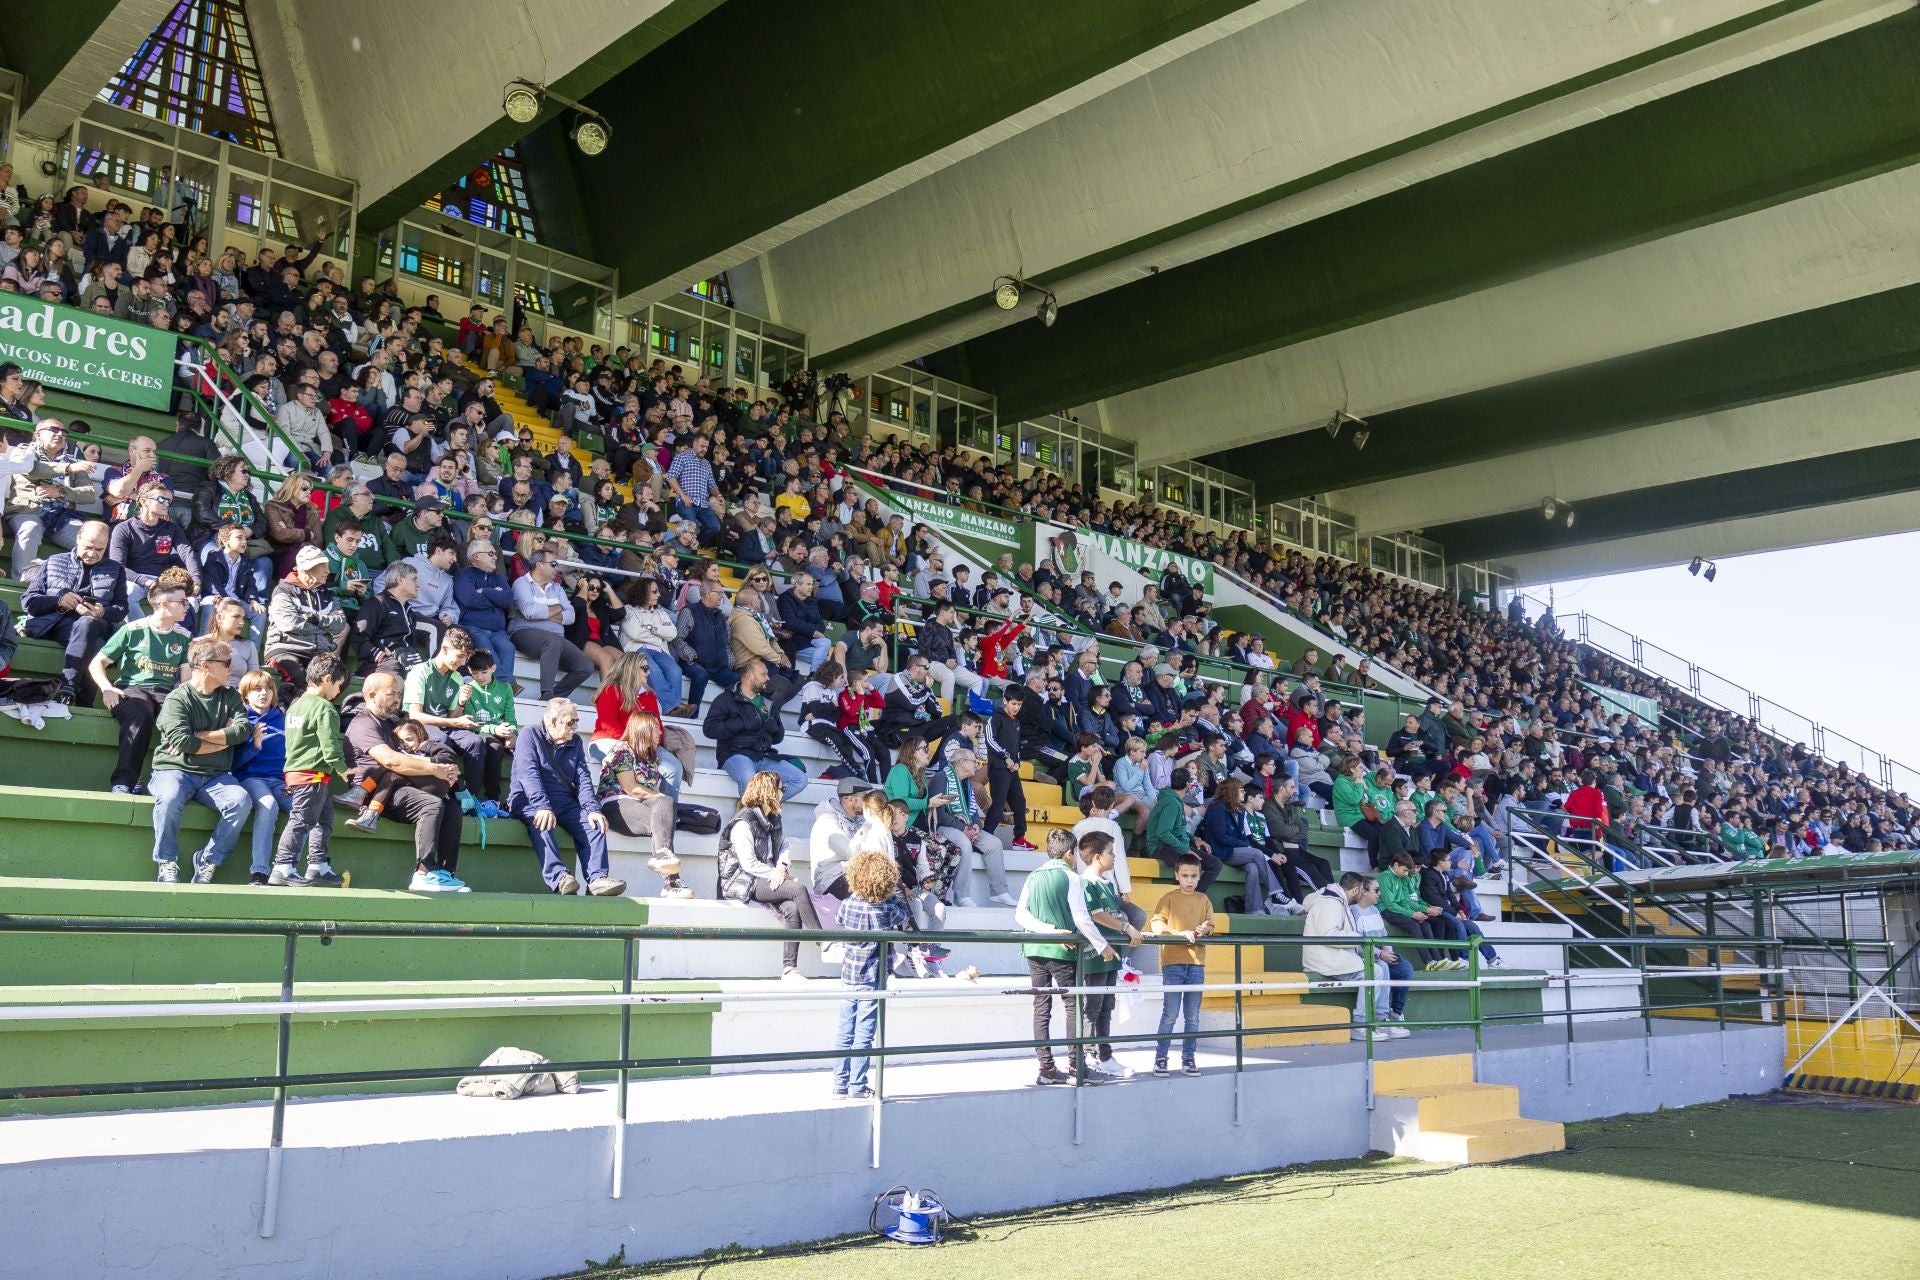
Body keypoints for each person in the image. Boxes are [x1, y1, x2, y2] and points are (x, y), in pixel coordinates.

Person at [342, 671, 468, 891]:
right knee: (432, 804)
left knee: (452, 808)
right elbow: (391, 761)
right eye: (391, 694)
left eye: (399, 694)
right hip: (375, 792)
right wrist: (434, 769)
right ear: (372, 696)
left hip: (403, 783)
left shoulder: (391, 722)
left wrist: (445, 768)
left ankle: (445, 874)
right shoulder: (364, 724)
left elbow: (418, 750)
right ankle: (423, 873)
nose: (397, 699)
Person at [146, 635, 252, 884]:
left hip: (216, 776)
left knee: (241, 800)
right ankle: (166, 861)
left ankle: (208, 860)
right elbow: (183, 743)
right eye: (226, 663)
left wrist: (202, 736)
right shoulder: (177, 699)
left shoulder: (230, 696)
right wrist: (223, 739)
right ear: (205, 665)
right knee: (170, 798)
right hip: (173, 770)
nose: (232, 668)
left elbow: (242, 731)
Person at [1015, 829, 1113, 1087]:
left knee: (1041, 1008)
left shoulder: (1033, 876)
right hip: (1062, 951)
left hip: (1034, 949)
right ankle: (1075, 1066)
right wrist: (1102, 946)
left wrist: (1046, 931)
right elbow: (1082, 917)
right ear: (1070, 853)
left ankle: (1046, 1068)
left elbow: (1021, 916)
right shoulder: (1070, 877)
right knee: (1073, 1006)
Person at [89, 569, 194, 793]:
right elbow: (96, 663)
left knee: (179, 717)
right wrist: (107, 688)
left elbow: (185, 680)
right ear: (165, 604)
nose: (187, 606)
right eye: (182, 602)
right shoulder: (132, 630)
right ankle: (125, 781)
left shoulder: (184, 637)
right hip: (132, 688)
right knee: (140, 713)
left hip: (166, 691)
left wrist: (181, 702)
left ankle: (170, 783)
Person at [510, 698, 625, 897]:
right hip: (529, 800)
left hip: (564, 801)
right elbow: (528, 774)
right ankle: (560, 878)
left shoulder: (576, 741)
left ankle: (597, 879)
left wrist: (592, 809)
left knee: (595, 824)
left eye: (576, 721)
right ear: (554, 721)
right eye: (571, 722)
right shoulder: (529, 734)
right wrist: (542, 805)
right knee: (542, 823)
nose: (575, 726)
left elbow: (583, 777)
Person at [716, 770, 823, 979]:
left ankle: (790, 968)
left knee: (792, 908)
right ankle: (822, 940)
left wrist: (782, 867)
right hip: (742, 880)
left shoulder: (774, 818)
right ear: (769, 791)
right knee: (798, 889)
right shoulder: (743, 821)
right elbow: (747, 864)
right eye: (781, 788)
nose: (784, 792)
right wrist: (778, 873)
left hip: (767, 877)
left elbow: (784, 846)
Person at [832, 840, 910, 1100]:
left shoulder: (849, 903)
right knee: (865, 1033)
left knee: (845, 1030)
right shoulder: (886, 907)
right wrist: (894, 894)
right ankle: (857, 1086)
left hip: (848, 975)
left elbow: (839, 920)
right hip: (872, 977)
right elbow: (903, 917)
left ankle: (839, 1084)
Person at [20, 519, 124, 706]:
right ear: (78, 538)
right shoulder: (54, 561)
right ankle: (84, 704)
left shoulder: (116, 569)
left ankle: (67, 689)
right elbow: (29, 601)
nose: (92, 553)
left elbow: (121, 609)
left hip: (96, 624)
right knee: (96, 644)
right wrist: (58, 601)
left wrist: (102, 612)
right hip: (56, 623)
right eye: (88, 547)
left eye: (99, 550)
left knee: (89, 625)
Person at [595, 712, 689, 897]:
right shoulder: (622, 750)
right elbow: (631, 788)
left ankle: (667, 870)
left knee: (664, 809)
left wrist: (663, 801)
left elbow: (653, 798)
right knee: (663, 817)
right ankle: (671, 880)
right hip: (616, 805)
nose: (658, 734)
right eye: (654, 730)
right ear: (642, 730)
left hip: (640, 806)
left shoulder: (650, 757)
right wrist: (662, 799)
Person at [276, 654, 350, 888]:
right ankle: (282, 866)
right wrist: (343, 770)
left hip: (297, 772)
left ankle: (317, 865)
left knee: (324, 818)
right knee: (302, 820)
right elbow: (329, 747)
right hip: (313, 775)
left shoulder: (296, 705)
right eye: (339, 685)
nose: (339, 691)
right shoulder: (325, 708)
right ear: (328, 679)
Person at [1076, 830, 1140, 1077]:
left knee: (1106, 1007)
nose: (1114, 856)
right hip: (1095, 955)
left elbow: (1113, 913)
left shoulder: (1107, 882)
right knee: (1091, 1008)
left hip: (1112, 956)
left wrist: (1123, 919)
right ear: (1096, 857)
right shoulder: (1085, 882)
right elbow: (1095, 914)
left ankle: (1105, 1055)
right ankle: (1089, 1056)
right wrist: (1126, 926)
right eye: (1110, 852)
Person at [1147, 852, 1214, 1077]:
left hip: (1196, 964)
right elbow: (1156, 924)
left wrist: (1206, 929)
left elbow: (1210, 924)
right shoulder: (1168, 898)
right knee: (1170, 1014)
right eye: (1185, 875)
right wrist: (1179, 934)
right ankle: (1161, 1059)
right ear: (1176, 875)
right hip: (1173, 962)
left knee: (1193, 1016)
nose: (1189, 880)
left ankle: (1189, 1058)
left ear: (1199, 876)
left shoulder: (1204, 899)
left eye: (1193, 876)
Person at [1302, 873, 1391, 1041]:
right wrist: (1358, 937)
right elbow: (1328, 935)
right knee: (1375, 972)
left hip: (1333, 956)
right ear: (1356, 890)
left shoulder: (1336, 901)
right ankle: (1360, 1024)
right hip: (1325, 959)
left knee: (1379, 968)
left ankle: (1379, 1019)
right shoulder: (1330, 904)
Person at [705, 657, 806, 799]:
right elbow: (709, 729)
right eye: (763, 674)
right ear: (749, 676)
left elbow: (778, 738)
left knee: (800, 779)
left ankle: (764, 806)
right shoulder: (726, 699)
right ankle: (753, 814)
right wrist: (741, 722)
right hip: (735, 754)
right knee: (749, 779)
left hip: (764, 756)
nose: (768, 678)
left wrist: (775, 726)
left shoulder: (767, 702)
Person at [931, 746, 1014, 907]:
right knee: (963, 842)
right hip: (944, 827)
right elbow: (938, 813)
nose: (976, 765)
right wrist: (963, 829)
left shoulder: (967, 783)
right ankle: (962, 896)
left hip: (966, 827)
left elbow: (973, 810)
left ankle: (1000, 892)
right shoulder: (941, 778)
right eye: (973, 762)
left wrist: (976, 825)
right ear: (962, 762)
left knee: (994, 844)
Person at [231, 668, 292, 886]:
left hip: (280, 780)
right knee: (268, 805)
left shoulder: (283, 719)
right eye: (257, 689)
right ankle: (259, 872)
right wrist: (254, 746)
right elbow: (233, 763)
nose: (263, 693)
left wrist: (290, 780)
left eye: (267, 689)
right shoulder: (240, 719)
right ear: (246, 694)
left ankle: (287, 868)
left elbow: (292, 755)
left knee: (303, 809)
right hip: (251, 777)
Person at [263, 546, 348, 698]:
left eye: (327, 566)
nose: (327, 571)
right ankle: (295, 710)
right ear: (305, 569)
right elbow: (288, 623)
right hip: (285, 649)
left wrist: (316, 618)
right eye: (322, 566)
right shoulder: (283, 590)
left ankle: (315, 708)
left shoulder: (328, 595)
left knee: (341, 676)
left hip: (318, 653)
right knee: (299, 675)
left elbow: (339, 624)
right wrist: (324, 627)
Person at [509, 549, 591, 700]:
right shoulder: (522, 583)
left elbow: (571, 616)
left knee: (585, 666)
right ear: (539, 564)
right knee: (552, 641)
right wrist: (559, 607)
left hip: (556, 638)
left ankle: (555, 696)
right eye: (553, 564)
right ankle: (546, 693)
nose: (557, 568)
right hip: (524, 632)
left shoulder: (557, 588)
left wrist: (544, 613)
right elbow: (530, 612)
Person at [1378, 852, 1456, 971]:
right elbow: (1390, 904)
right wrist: (1412, 914)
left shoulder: (1401, 877)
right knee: (1414, 925)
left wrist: (1420, 911)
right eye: (1404, 870)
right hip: (1387, 910)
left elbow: (1405, 900)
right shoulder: (1385, 877)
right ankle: (1428, 962)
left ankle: (1438, 960)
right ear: (1395, 865)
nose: (1406, 874)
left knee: (1424, 924)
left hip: (1400, 908)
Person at [452, 539, 516, 678]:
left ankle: (503, 686)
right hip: (473, 627)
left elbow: (507, 599)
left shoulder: (498, 577)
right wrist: (495, 596)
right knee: (485, 647)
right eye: (491, 553)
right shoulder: (464, 575)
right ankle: (507, 684)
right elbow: (469, 599)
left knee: (508, 648)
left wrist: (485, 591)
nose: (495, 557)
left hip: (498, 630)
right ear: (476, 556)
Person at [1146, 766, 1217, 888]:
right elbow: (1163, 833)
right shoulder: (1171, 803)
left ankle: (1192, 896)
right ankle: (1179, 898)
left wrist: (1194, 838)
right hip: (1159, 847)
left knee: (1215, 864)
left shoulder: (1175, 800)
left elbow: (1176, 828)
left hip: (1173, 843)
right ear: (1188, 784)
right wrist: (1186, 850)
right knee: (1188, 865)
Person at [982, 684, 1032, 851]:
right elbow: (990, 740)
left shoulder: (1017, 721)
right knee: (998, 803)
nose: (1016, 708)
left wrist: (1017, 761)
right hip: (998, 768)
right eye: (1013, 704)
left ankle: (1019, 839)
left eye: (1019, 704)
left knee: (1019, 802)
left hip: (1012, 769)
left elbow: (1016, 746)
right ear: (1005, 700)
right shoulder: (995, 718)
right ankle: (985, 836)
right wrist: (1005, 757)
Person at [810, 777, 876, 898]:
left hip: (850, 875)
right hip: (831, 880)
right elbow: (850, 851)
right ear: (851, 799)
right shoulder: (827, 820)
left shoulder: (857, 819)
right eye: (864, 798)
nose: (868, 802)